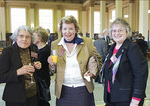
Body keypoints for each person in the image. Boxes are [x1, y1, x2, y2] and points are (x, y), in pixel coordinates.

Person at [47, 15, 102, 106]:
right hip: (63, 90)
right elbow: (53, 69)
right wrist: (51, 65)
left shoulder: (87, 42)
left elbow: (98, 60)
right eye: (65, 29)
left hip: (83, 89)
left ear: (76, 29)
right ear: (61, 30)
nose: (67, 32)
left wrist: (92, 72)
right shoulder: (55, 44)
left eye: (71, 29)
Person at [100, 18, 148, 106]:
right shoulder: (112, 48)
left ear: (127, 31)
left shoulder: (132, 48)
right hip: (112, 97)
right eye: (114, 31)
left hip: (127, 99)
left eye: (120, 30)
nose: (117, 33)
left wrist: (135, 100)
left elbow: (141, 74)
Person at [0, 25, 42, 106]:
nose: (24, 39)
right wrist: (18, 72)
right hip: (16, 98)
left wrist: (36, 66)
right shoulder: (8, 52)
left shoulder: (31, 50)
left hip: (33, 96)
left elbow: (28, 67)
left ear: (31, 39)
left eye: (28, 37)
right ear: (16, 38)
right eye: (21, 36)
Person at [32, 26, 51, 106]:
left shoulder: (45, 50)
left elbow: (38, 65)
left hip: (42, 79)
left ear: (40, 38)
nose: (32, 38)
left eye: (34, 36)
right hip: (39, 78)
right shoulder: (37, 49)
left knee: (42, 100)